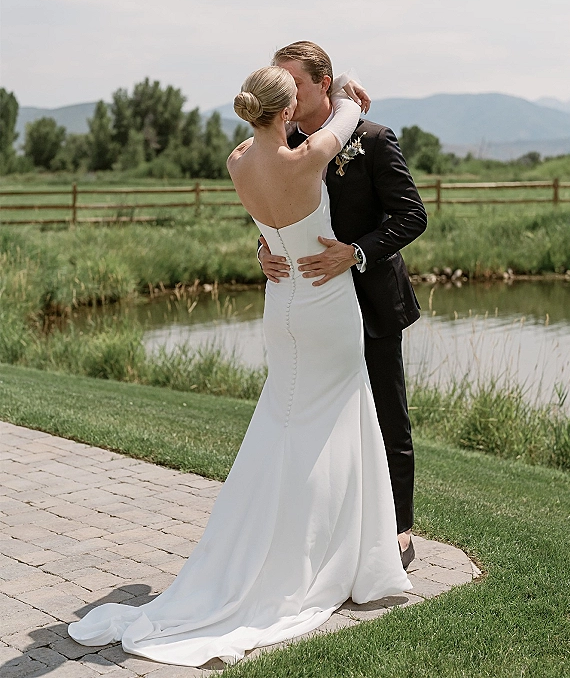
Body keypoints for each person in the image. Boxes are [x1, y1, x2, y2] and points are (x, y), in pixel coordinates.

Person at [68, 65, 411, 668]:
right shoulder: (306, 161)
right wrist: (353, 96)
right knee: (336, 424)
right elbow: (347, 115)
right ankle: (339, 553)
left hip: (280, 307)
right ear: (285, 113)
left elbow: (273, 208)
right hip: (326, 307)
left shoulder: (237, 163)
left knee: (283, 424)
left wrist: (265, 244)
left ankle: (275, 540)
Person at [259, 42, 428, 568]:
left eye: (296, 84)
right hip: (313, 311)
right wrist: (265, 250)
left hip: (372, 301)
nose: (287, 96)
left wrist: (355, 254)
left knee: (386, 416)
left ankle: (399, 529)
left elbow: (411, 217)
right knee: (319, 419)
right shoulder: (281, 143)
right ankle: (329, 528)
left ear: (323, 80)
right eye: (280, 86)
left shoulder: (373, 140)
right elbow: (271, 210)